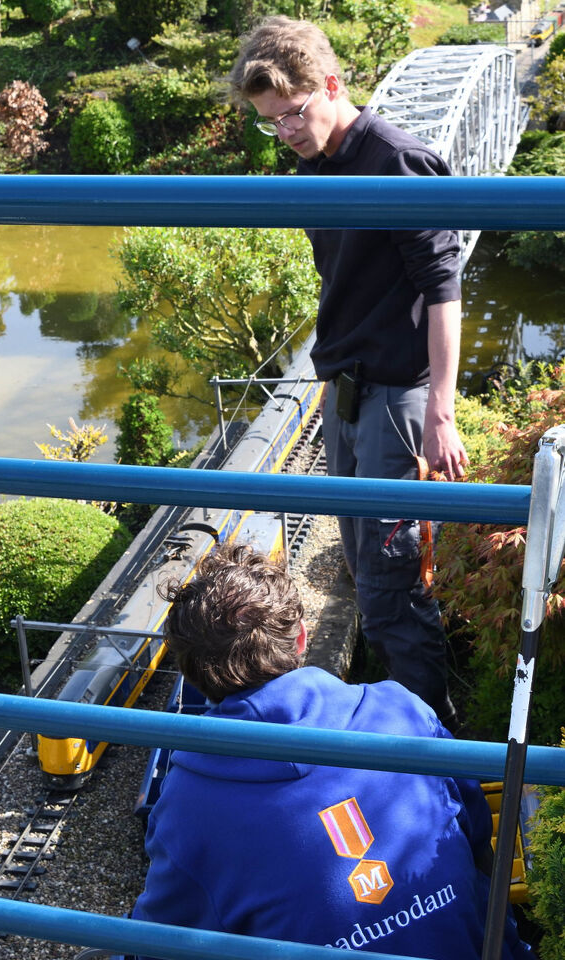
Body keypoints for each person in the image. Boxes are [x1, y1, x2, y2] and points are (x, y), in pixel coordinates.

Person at [228, 16, 469, 730]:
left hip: (398, 392)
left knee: (391, 584)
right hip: (347, 390)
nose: (288, 133)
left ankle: (436, 745)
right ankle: (406, 726)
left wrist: (443, 411)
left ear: (331, 85)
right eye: (272, 124)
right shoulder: (312, 164)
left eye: (294, 114)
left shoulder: (396, 157)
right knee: (365, 570)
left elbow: (444, 285)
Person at [125, 543, 532, 960]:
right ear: (300, 637)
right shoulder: (402, 710)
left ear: (190, 672)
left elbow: (158, 942)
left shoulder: (185, 808)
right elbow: (476, 831)